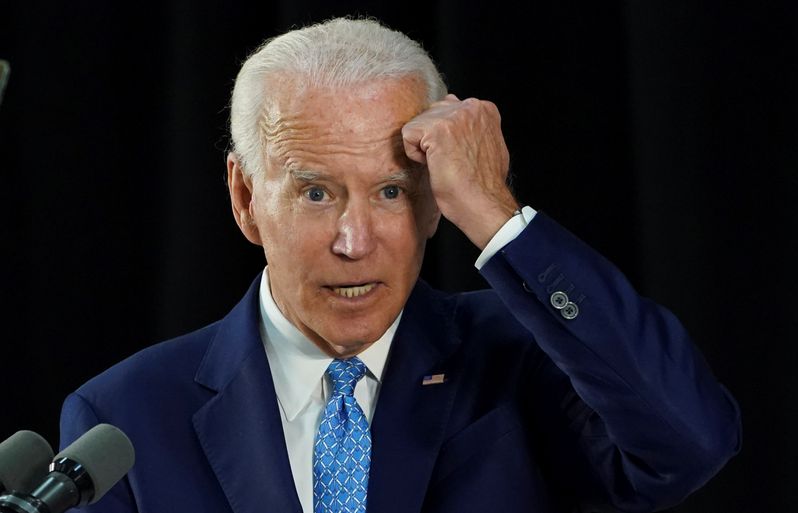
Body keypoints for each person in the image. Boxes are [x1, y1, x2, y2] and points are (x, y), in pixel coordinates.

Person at [59, 16, 741, 513]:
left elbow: (690, 443)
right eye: (316, 191)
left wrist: (498, 215)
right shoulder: (123, 417)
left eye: (392, 191)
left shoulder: (527, 360)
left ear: (436, 199)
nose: (355, 240)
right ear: (244, 197)